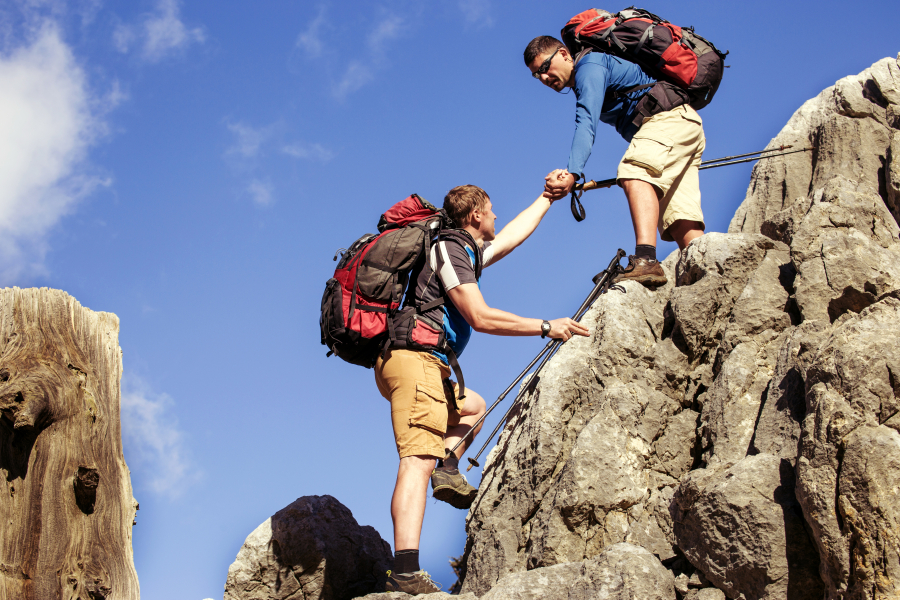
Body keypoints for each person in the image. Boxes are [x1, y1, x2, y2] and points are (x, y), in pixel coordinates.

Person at [378, 184, 589, 593]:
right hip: (414, 361)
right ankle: (404, 572)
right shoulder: (449, 249)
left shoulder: (465, 253)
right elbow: (479, 316)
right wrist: (547, 327)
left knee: (473, 408)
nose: (495, 217)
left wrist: (546, 198)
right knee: (416, 460)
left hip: (427, 366)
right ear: (475, 215)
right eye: (491, 210)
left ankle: (447, 467)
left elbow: (509, 237)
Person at [524, 35, 706, 286]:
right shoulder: (590, 71)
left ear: (564, 54)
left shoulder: (589, 66)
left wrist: (573, 173)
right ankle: (704, 274)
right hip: (684, 125)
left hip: (668, 122)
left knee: (633, 174)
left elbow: (586, 121)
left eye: (545, 68)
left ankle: (646, 260)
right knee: (680, 220)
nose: (544, 78)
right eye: (537, 75)